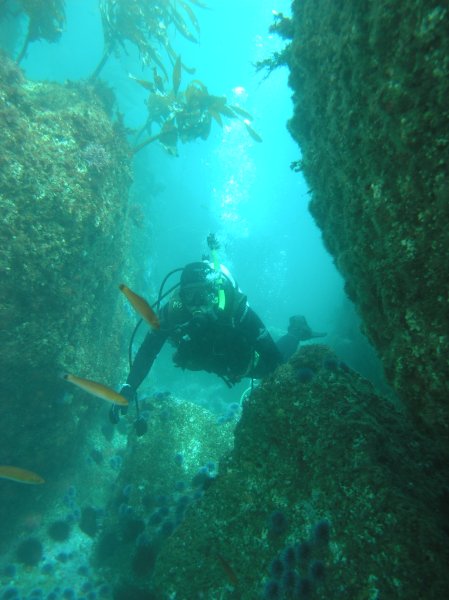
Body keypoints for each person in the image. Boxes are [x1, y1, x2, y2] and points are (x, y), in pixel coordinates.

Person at [111, 242, 323, 433]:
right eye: (189, 296)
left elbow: (272, 355)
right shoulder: (173, 312)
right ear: (181, 296)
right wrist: (129, 387)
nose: (196, 303)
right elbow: (149, 350)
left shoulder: (234, 308)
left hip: (238, 356)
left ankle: (297, 331)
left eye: (202, 294)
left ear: (213, 292)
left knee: (270, 369)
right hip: (209, 358)